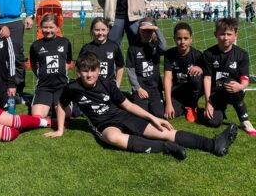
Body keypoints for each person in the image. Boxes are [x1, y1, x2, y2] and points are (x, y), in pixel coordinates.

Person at [45, 52, 238, 160]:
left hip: (122, 116)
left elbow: (127, 105)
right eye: (84, 71)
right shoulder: (72, 87)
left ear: (99, 70)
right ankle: (166, 148)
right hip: (104, 124)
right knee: (113, 138)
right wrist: (60, 129)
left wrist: (154, 118)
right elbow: (61, 105)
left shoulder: (107, 84)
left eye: (92, 70)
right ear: (78, 72)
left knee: (164, 130)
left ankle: (214, 144)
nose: (89, 75)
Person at [203, 18, 256, 136]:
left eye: (229, 34)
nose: (225, 37)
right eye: (222, 34)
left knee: (230, 82)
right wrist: (208, 102)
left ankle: (245, 121)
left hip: (233, 90)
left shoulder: (242, 54)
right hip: (216, 93)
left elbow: (245, 79)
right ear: (215, 34)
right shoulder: (208, 54)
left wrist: (240, 86)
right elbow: (207, 78)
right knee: (213, 122)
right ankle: (220, 110)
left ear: (236, 35)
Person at [30, 14, 72, 118]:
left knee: (66, 115)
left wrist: (63, 73)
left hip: (61, 85)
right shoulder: (35, 45)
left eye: (51, 27)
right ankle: (51, 105)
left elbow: (68, 61)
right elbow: (33, 64)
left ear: (57, 28)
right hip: (44, 86)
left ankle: (55, 105)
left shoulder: (65, 42)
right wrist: (39, 75)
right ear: (40, 28)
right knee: (37, 116)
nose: (48, 30)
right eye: (45, 27)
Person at [126, 17, 167, 118]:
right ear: (139, 31)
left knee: (159, 114)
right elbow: (130, 70)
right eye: (144, 31)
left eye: (150, 31)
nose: (146, 33)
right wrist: (138, 88)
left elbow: (165, 48)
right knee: (140, 115)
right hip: (140, 88)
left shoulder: (156, 46)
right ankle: (133, 98)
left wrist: (156, 29)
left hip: (155, 88)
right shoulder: (133, 48)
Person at [164, 23, 203, 122]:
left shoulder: (197, 55)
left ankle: (193, 105)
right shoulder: (169, 54)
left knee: (196, 76)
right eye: (179, 38)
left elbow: (206, 76)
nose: (182, 42)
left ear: (191, 39)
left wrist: (200, 68)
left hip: (192, 91)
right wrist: (168, 104)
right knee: (166, 114)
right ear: (174, 39)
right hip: (177, 92)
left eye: (186, 38)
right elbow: (167, 78)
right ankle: (184, 108)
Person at [79, 17, 124, 88]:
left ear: (108, 30)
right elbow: (79, 68)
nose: (100, 33)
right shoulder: (86, 48)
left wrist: (117, 85)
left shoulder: (114, 47)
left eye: (103, 30)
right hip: (91, 87)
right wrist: (85, 83)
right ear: (92, 30)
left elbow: (120, 67)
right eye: (97, 30)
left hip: (109, 87)